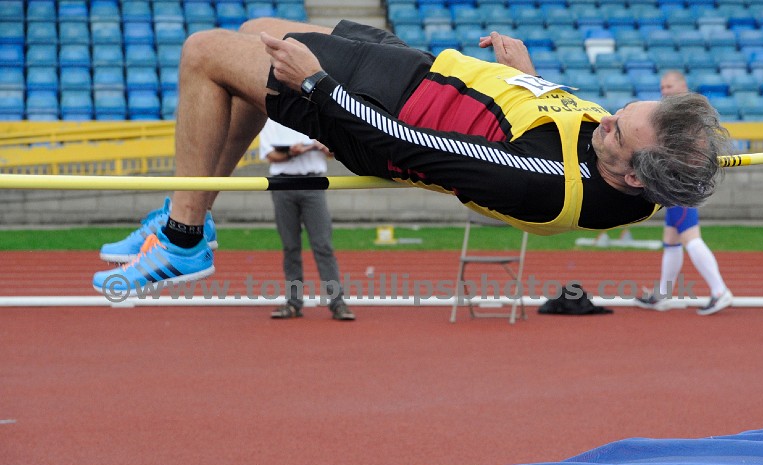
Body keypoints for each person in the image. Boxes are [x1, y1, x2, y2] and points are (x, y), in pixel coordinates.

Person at [92, 18, 730, 294]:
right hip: (419, 72)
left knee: (203, 53)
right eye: (622, 108)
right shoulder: (632, 163)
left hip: (375, 110)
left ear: (630, 176)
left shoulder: (546, 184)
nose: (606, 119)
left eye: (614, 131)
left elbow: (409, 146)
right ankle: (190, 215)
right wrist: (531, 80)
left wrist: (318, 86)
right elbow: (555, 133)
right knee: (253, 34)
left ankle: (183, 236)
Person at [634, 70, 733, 315]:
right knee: (671, 239)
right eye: (662, 87)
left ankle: (720, 290)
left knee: (690, 236)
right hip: (677, 180)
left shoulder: (686, 112)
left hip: (683, 181)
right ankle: (663, 294)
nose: (664, 91)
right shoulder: (678, 111)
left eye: (669, 86)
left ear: (682, 86)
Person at [259, 119, 355, 320]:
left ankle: (337, 302)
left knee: (323, 245)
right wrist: (290, 153)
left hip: (313, 183)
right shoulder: (272, 120)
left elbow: (334, 151)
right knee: (290, 246)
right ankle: (294, 303)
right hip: (282, 184)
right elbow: (270, 154)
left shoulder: (314, 116)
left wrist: (325, 147)